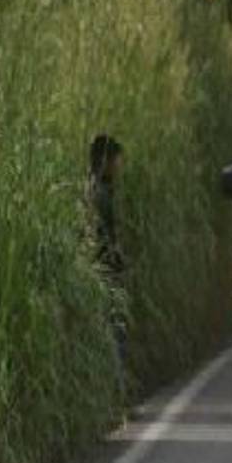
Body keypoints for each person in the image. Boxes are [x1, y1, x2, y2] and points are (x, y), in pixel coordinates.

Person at [86, 135, 129, 386]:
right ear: (105, 161)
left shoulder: (93, 190)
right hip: (105, 276)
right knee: (115, 330)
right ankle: (117, 387)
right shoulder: (100, 195)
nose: (118, 166)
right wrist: (118, 262)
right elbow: (105, 240)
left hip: (98, 274)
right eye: (116, 161)